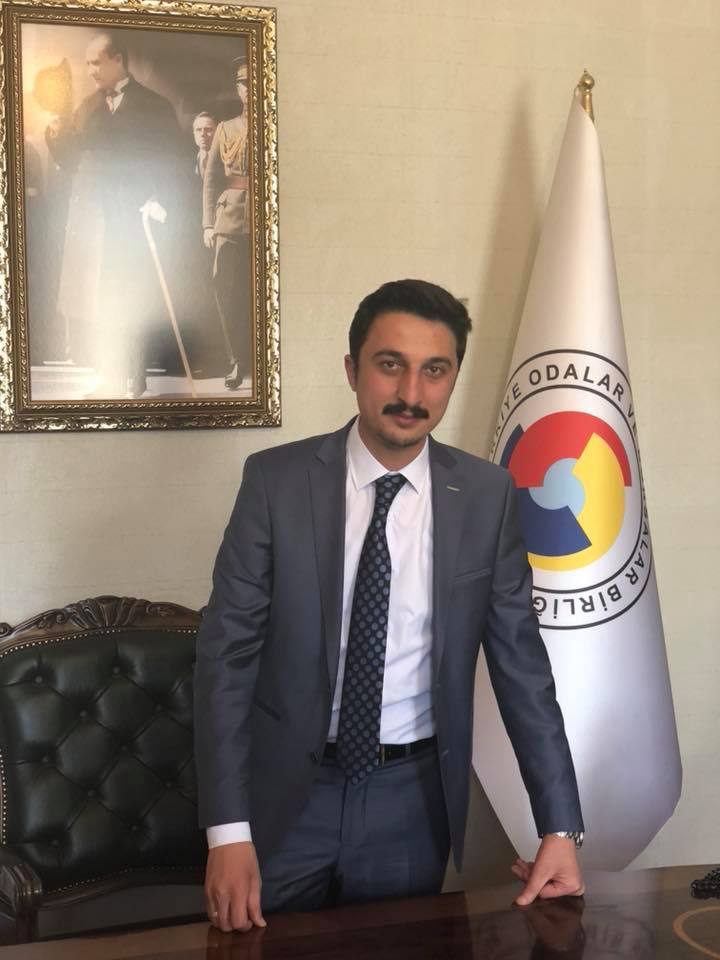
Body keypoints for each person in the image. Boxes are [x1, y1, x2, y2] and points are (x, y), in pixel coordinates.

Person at [194, 279, 585, 933]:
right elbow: (225, 659)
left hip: (412, 803)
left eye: (435, 370)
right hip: (284, 798)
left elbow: (523, 669)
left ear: (453, 376)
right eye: (390, 364)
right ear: (353, 370)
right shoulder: (276, 482)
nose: (411, 392)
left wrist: (561, 825)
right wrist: (227, 831)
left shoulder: (486, 495)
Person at [45, 31, 180, 398]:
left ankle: (136, 377)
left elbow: (173, 160)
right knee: (103, 296)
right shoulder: (87, 107)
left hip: (139, 217)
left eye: (96, 62)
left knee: (136, 297)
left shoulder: (155, 106)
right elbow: (70, 160)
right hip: (98, 222)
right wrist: (55, 133)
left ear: (118, 59)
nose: (90, 70)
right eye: (87, 63)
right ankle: (109, 376)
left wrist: (160, 199)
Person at [202, 57, 252, 391]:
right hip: (229, 219)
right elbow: (211, 180)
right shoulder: (225, 128)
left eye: (253, 82)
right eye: (244, 84)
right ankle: (236, 360)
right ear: (238, 89)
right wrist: (208, 224)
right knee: (225, 289)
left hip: (265, 223)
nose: (249, 89)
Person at [193, 111, 217, 181]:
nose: (202, 134)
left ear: (217, 132)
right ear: (194, 133)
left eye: (208, 130)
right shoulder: (190, 159)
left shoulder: (225, 159)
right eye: (198, 130)